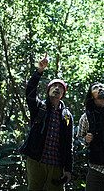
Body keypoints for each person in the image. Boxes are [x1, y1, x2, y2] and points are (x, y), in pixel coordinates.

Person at [19, 52, 73, 191]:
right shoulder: (39, 108)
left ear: (63, 94)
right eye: (54, 86)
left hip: (56, 163)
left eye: (60, 87)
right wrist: (40, 70)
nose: (57, 88)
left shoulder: (67, 116)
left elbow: (68, 144)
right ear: (48, 90)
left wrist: (68, 168)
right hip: (36, 160)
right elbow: (30, 91)